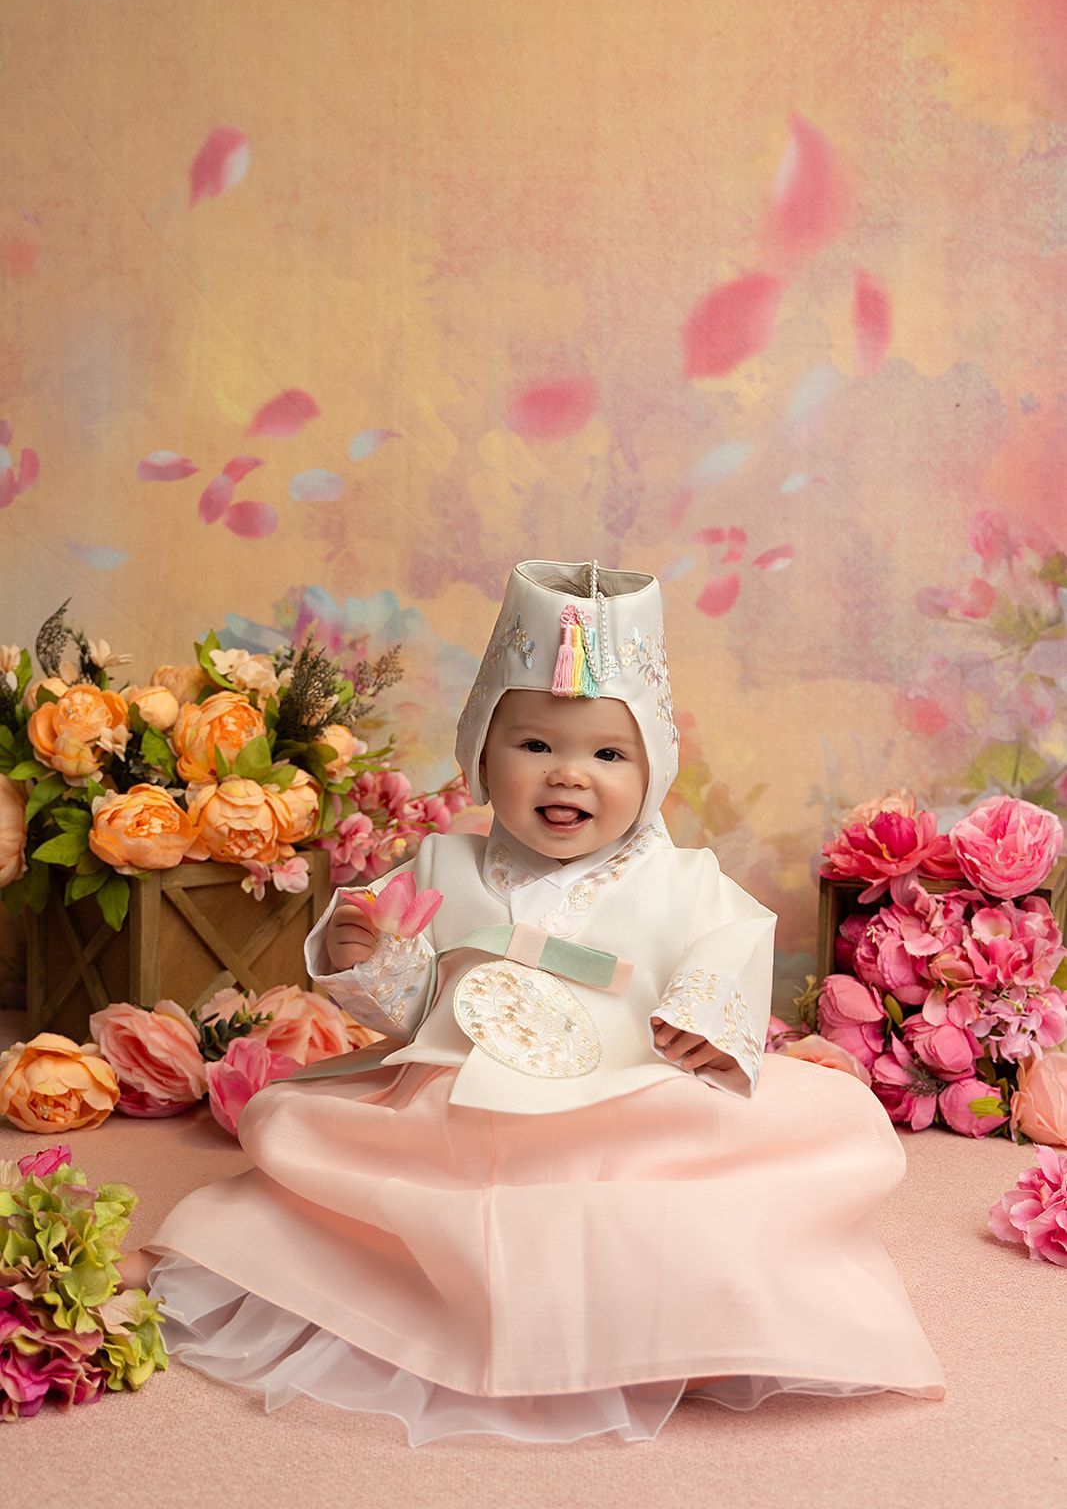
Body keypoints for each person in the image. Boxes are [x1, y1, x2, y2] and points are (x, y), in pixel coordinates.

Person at [139, 558, 945, 1445]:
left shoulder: (684, 880)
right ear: (482, 753)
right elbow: (406, 1007)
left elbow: (732, 939)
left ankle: (668, 1328)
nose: (569, 776)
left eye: (607, 754)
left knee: (687, 1200)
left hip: (629, 1089)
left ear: (652, 770)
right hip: (458, 1092)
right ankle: (427, 1304)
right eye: (534, 747)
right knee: (344, 1168)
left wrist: (701, 1020)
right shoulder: (446, 864)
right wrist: (360, 955)